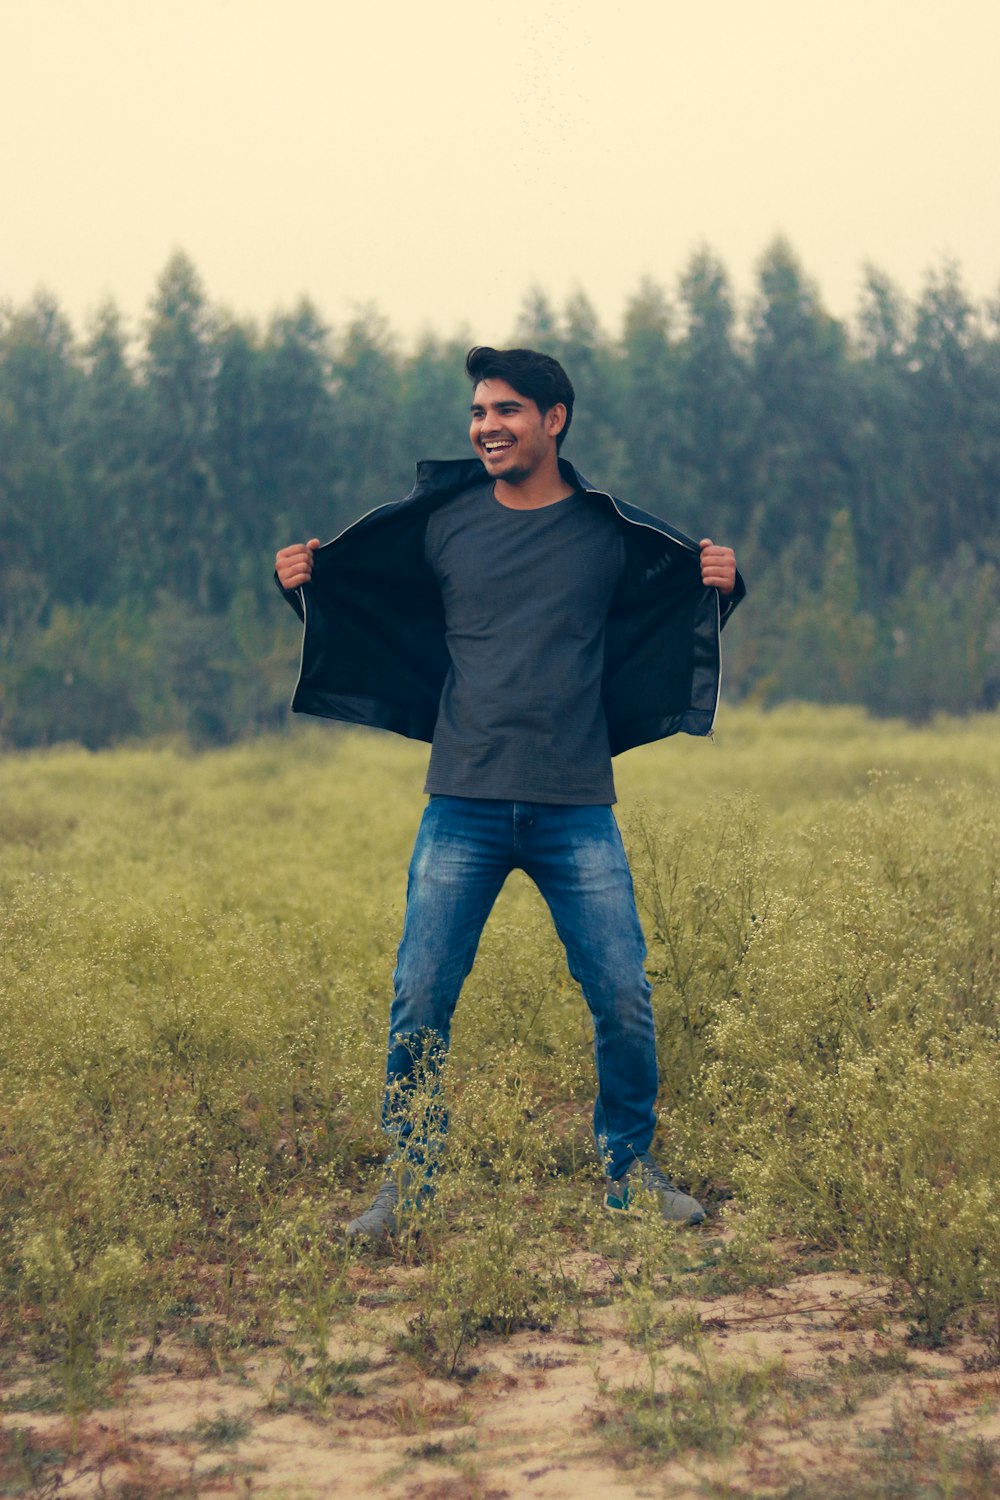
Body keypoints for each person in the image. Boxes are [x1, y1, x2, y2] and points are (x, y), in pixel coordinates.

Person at [275, 345, 744, 1241]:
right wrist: (302, 585)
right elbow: (368, 597)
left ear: (554, 419)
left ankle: (630, 1172)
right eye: (478, 414)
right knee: (420, 994)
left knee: (622, 994)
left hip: (575, 803)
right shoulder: (443, 526)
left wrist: (725, 583)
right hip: (464, 799)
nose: (486, 427)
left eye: (506, 411)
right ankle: (408, 1183)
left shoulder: (607, 533)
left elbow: (671, 601)